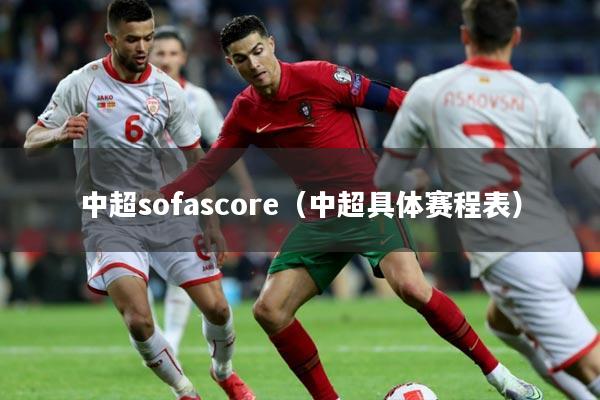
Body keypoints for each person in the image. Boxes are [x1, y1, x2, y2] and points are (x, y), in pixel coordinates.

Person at [155, 14, 543, 400]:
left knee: (412, 288)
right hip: (320, 217)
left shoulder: (321, 77)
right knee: (269, 310)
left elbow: (397, 101)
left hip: (368, 203)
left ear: (271, 44)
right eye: (242, 59)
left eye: (258, 51)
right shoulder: (245, 112)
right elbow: (208, 169)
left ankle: (502, 379)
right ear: (231, 63)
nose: (254, 64)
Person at [23, 1, 255, 399]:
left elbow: (196, 159)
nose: (143, 47)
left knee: (218, 308)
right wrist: (59, 134)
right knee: (139, 320)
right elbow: (31, 141)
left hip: (167, 213)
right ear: (111, 39)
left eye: (149, 37)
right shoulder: (81, 84)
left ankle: (224, 371)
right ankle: (185, 391)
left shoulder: (167, 90)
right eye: (132, 39)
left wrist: (211, 222)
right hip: (109, 219)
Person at [375, 0, 600, 399]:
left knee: (590, 365)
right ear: (517, 37)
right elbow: (593, 180)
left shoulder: (430, 92)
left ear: (465, 35)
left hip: (515, 257)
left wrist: (416, 190)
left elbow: (387, 180)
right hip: (563, 247)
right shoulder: (544, 97)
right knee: (502, 324)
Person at [148, 25, 257, 357]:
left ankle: (171, 341)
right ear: (148, 56)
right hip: (138, 194)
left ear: (183, 57)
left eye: (172, 53)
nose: (166, 60)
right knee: (137, 272)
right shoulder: (132, 96)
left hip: (183, 196)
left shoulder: (198, 99)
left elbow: (225, 145)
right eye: (159, 53)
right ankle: (151, 335)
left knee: (183, 271)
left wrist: (246, 186)